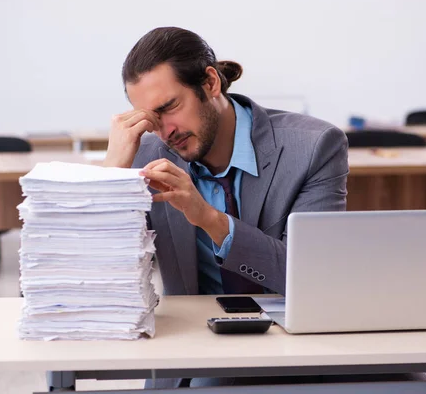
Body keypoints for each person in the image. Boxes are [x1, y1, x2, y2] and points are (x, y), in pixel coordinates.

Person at [104, 27, 349, 298]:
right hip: (192, 334)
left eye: (170, 107)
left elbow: (314, 277)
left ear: (210, 83)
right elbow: (100, 278)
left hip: (287, 331)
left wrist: (209, 218)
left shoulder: (314, 148)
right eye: (152, 118)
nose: (165, 131)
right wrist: (109, 175)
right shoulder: (145, 157)